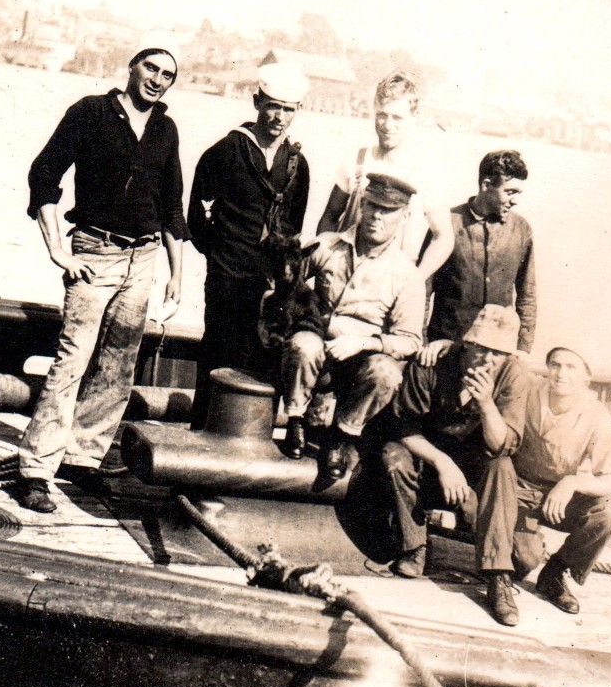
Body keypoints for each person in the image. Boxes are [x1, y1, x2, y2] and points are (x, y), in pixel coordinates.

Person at [15, 32, 190, 513]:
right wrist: (58, 250)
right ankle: (35, 468)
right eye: (151, 68)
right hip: (95, 252)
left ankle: (82, 459)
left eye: (168, 75)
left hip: (144, 259)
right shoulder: (90, 112)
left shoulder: (165, 129)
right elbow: (43, 175)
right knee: (72, 360)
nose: (158, 80)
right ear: (131, 67)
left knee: (117, 365)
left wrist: (177, 275)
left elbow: (172, 203)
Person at [186, 62, 312, 427]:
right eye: (273, 105)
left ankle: (246, 454)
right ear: (257, 101)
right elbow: (196, 217)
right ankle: (200, 449)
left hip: (270, 287)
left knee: (262, 363)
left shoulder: (297, 164)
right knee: (216, 359)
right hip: (228, 278)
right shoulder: (225, 151)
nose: (279, 117)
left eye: (288, 109)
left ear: (298, 111)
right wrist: (222, 256)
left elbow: (294, 224)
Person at [280, 172, 426, 480]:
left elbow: (410, 340)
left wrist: (364, 343)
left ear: (404, 216)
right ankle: (295, 420)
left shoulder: (407, 275)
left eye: (388, 211)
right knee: (302, 345)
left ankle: (343, 436)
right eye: (372, 206)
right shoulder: (327, 246)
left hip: (360, 363)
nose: (377, 216)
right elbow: (286, 283)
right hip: (317, 346)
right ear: (361, 205)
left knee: (386, 372)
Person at [474, 346, 611, 627]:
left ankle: (555, 572)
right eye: (555, 365)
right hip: (512, 492)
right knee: (524, 562)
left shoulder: (595, 413)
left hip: (556, 498)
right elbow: (487, 361)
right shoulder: (528, 391)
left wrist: (571, 482)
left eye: (571, 367)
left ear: (587, 377)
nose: (561, 374)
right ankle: (499, 578)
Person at [379, 304, 534, 578]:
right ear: (466, 344)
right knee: (394, 456)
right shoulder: (431, 364)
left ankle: (491, 565)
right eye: (481, 348)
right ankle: (414, 546)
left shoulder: (514, 375)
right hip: (426, 461)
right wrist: (442, 461)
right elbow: (402, 426)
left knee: (524, 560)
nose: (487, 359)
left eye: (498, 353)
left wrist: (486, 404)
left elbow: (502, 446)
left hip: (475, 473)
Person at [314, 71, 454, 278]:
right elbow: (330, 217)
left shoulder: (425, 171)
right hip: (345, 275)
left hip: (392, 282)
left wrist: (416, 279)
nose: (388, 126)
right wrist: (326, 262)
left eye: (397, 117)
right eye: (382, 115)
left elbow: (443, 237)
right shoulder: (356, 161)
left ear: (414, 117)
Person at [420, 149, 537, 366]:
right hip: (444, 349)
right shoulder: (447, 224)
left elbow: (527, 295)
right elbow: (421, 289)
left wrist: (523, 349)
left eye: (519, 193)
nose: (515, 201)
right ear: (486, 185)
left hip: (495, 354)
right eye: (510, 192)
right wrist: (422, 341)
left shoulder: (521, 230)